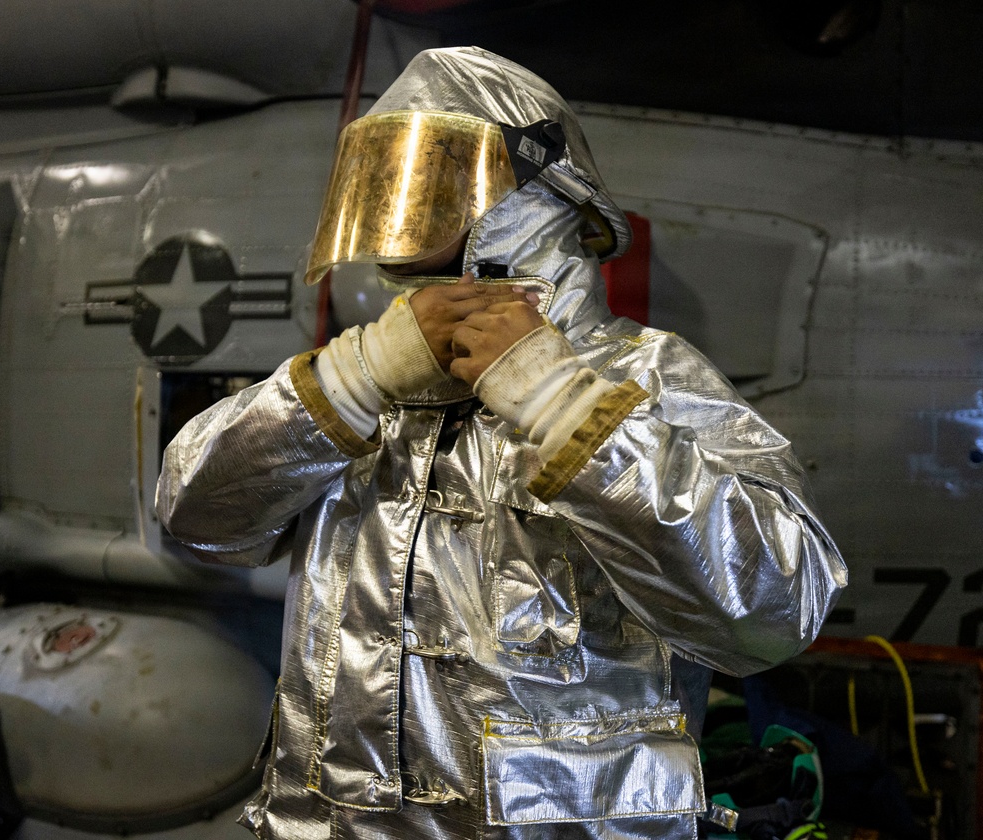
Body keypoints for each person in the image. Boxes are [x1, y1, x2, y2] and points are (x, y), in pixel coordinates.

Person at [156, 46, 847, 840]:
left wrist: (569, 411)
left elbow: (777, 609)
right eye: (387, 180)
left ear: (538, 192)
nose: (402, 207)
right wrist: (354, 377)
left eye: (432, 180)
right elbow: (196, 517)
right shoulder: (367, 379)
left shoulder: (647, 379)